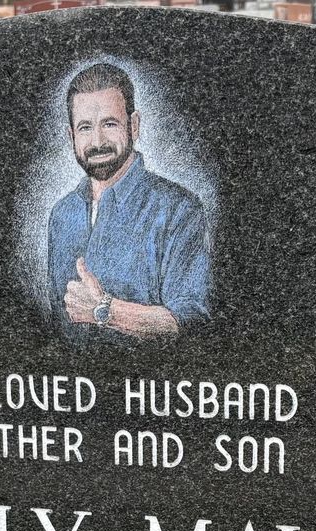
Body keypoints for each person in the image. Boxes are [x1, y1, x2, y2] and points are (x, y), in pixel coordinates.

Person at [46, 63, 211, 343]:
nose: (97, 141)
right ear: (71, 135)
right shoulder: (62, 214)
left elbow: (191, 321)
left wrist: (105, 311)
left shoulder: (179, 209)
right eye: (85, 127)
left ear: (133, 126)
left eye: (109, 124)